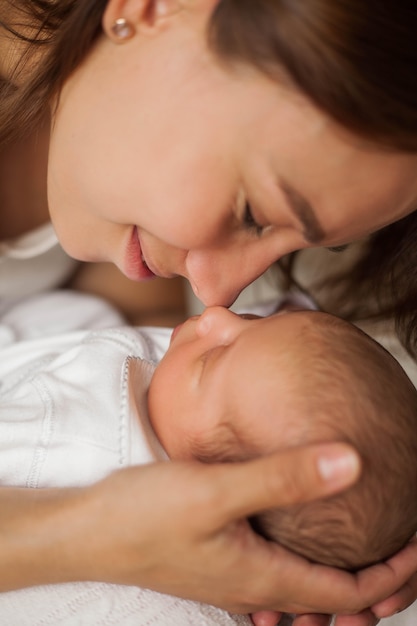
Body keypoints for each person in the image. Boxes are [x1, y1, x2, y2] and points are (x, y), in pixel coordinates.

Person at [1, 1, 417, 624]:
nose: (220, 291)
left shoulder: (97, 171)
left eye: (302, 246)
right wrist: (86, 538)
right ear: (154, 8)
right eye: (254, 212)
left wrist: (330, 525)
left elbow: (107, 311)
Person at [1, 294, 417, 626]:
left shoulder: (68, 437)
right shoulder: (211, 394)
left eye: (209, 362)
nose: (217, 315)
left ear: (211, 487)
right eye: (257, 321)